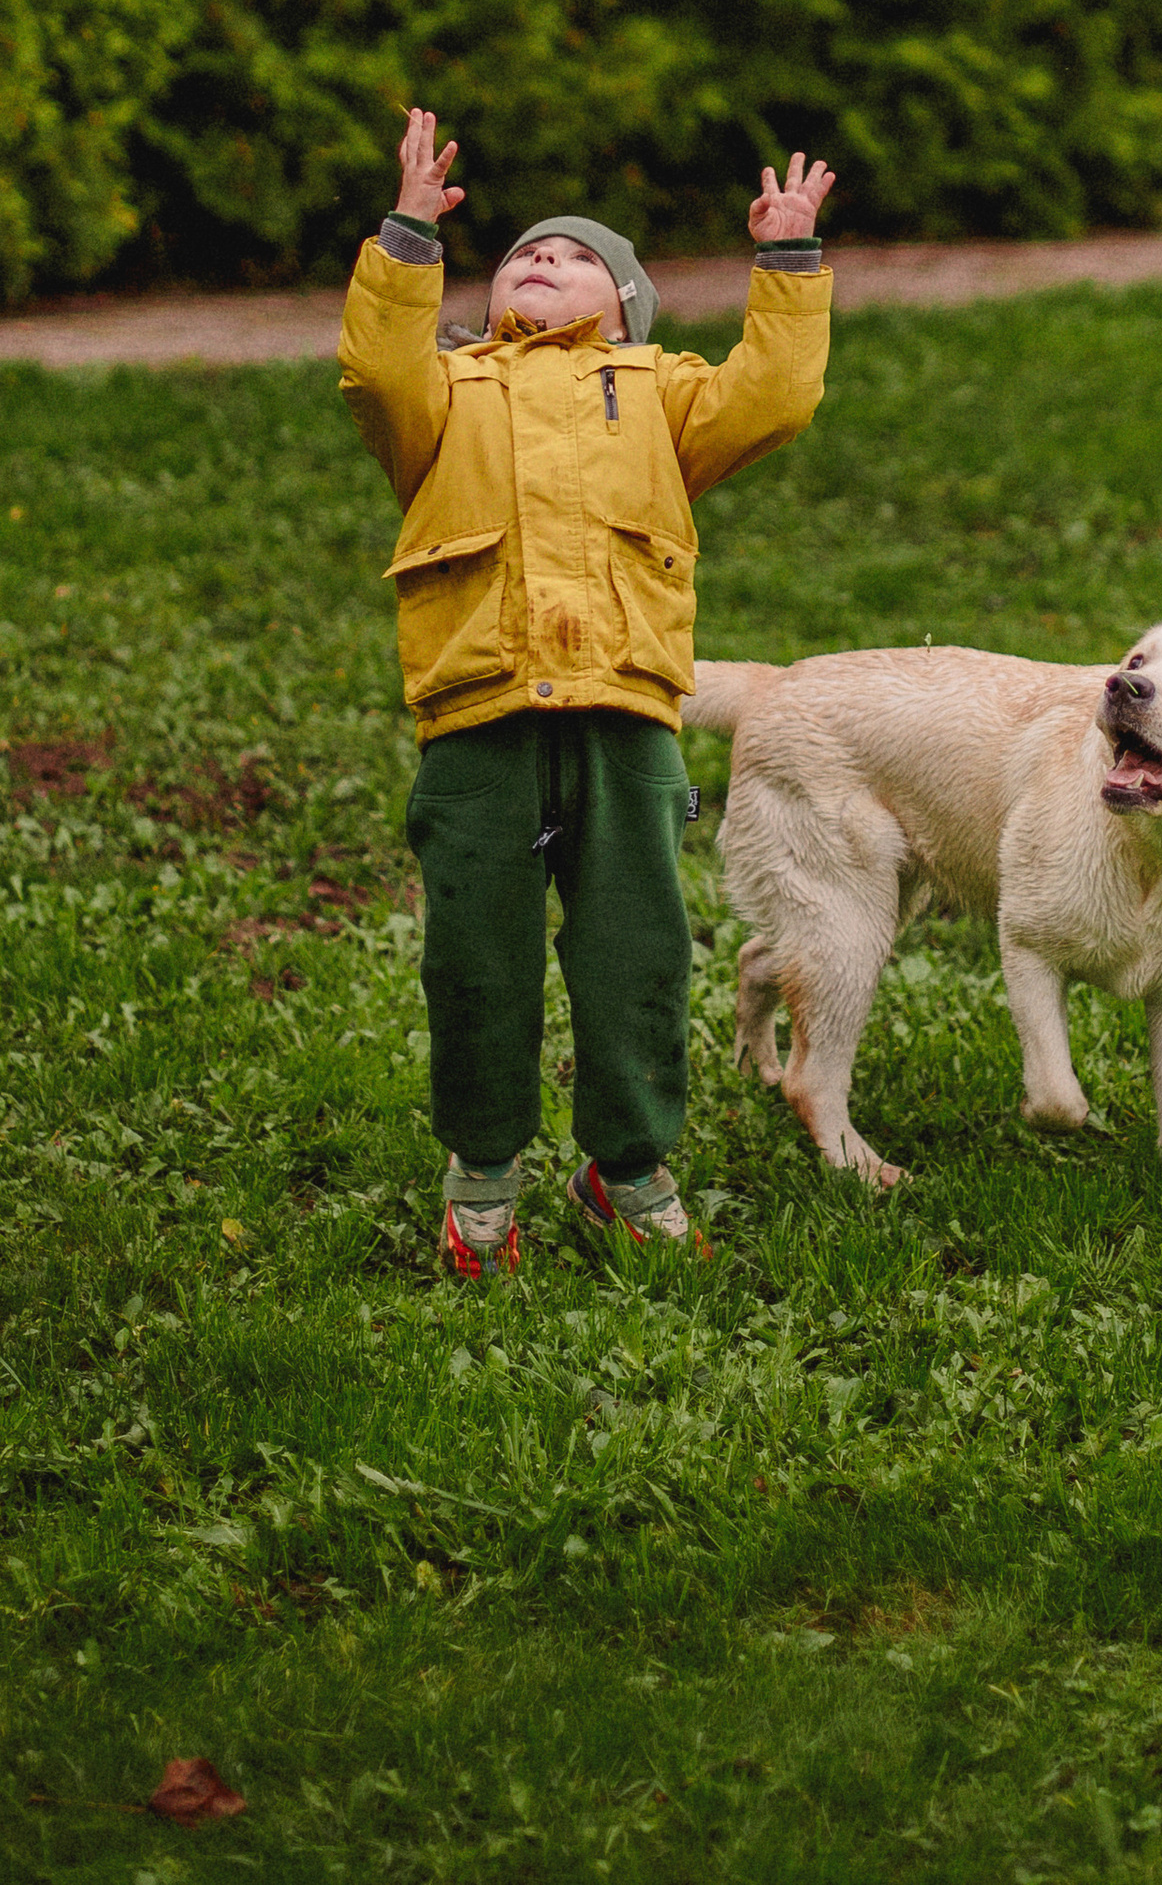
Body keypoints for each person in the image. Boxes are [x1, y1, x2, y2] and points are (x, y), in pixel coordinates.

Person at [340, 106, 836, 1275]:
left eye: (577, 257)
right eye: (523, 253)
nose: (543, 262)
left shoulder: (663, 392)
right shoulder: (444, 392)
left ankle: (629, 1172)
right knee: (477, 962)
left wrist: (789, 262)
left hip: (624, 716)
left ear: (626, 307)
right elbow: (373, 367)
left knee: (637, 956)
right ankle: (480, 1180)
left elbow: (775, 395)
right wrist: (410, 236)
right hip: (479, 720)